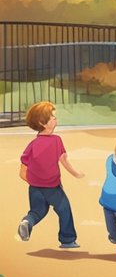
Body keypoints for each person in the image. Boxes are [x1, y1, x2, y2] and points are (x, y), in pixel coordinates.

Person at [16, 101, 85, 249]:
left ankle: (27, 222)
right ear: (42, 123)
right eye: (53, 118)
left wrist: (35, 182)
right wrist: (77, 174)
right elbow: (64, 161)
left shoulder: (32, 145)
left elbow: (22, 172)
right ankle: (67, 240)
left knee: (37, 211)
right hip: (53, 187)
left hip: (34, 188)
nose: (56, 120)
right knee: (64, 209)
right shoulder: (56, 140)